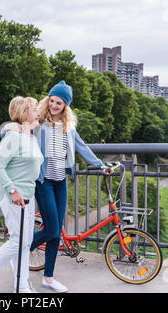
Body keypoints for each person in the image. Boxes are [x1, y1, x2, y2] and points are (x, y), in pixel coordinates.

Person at [30, 81, 112, 293]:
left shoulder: (68, 127)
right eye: (52, 100)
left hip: (60, 181)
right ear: (47, 100)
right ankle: (16, 253)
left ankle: (48, 278)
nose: (54, 105)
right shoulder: (38, 123)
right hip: (43, 181)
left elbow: (82, 148)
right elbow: (19, 132)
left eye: (59, 102)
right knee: (52, 229)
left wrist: (101, 166)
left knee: (56, 234)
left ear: (66, 105)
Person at [0, 96, 44, 293]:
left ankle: (21, 284)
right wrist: (13, 190)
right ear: (24, 113)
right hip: (14, 195)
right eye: (34, 109)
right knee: (18, 240)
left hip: (28, 194)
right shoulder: (14, 137)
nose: (38, 112)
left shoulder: (28, 136)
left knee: (26, 241)